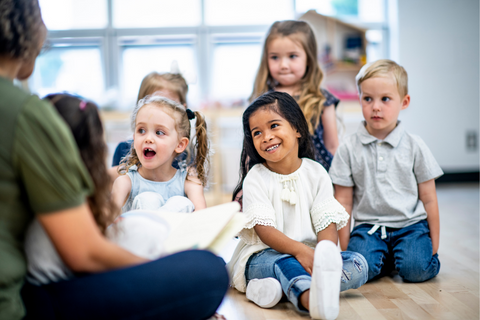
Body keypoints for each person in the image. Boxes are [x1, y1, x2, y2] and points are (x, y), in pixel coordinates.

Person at [0, 1, 227, 319]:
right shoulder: (24, 112)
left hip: (32, 283)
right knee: (209, 271)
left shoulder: (27, 111)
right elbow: (85, 253)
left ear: (182, 140)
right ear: (25, 28)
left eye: (162, 129)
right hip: (22, 300)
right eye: (142, 129)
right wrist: (158, 272)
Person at [228, 91, 368, 319]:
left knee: (358, 263)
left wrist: (323, 257)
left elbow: (326, 223)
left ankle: (274, 290)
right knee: (283, 263)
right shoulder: (256, 177)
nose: (266, 136)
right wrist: (300, 251)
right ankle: (309, 297)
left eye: (274, 125)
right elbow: (265, 231)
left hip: (309, 256)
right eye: (257, 133)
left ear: (297, 129)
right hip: (263, 257)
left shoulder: (316, 172)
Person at [330, 59, 443, 283]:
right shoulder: (348, 148)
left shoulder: (415, 145)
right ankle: (384, 259)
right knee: (358, 270)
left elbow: (429, 199)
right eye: (368, 99)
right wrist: (346, 251)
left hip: (410, 226)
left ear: (404, 101)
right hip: (368, 228)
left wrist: (434, 246)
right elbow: (343, 202)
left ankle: (398, 259)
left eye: (385, 99)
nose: (376, 107)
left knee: (416, 270)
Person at [250, 20, 340, 171]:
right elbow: (252, 148)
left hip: (316, 179)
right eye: (275, 57)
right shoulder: (262, 101)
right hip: (275, 178)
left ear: (308, 59)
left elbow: (332, 146)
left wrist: (340, 185)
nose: (283, 65)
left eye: (292, 56)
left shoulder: (322, 100)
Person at [112, 95, 210, 213]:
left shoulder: (189, 182)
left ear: (180, 144)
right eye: (141, 130)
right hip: (138, 230)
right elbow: (109, 222)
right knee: (148, 199)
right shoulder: (125, 182)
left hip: (178, 231)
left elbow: (202, 221)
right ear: (134, 138)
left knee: (181, 203)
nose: (148, 138)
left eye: (159, 132)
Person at [110, 72, 189, 180]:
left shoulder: (186, 155)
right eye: (152, 102)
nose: (159, 110)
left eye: (168, 104)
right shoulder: (123, 150)